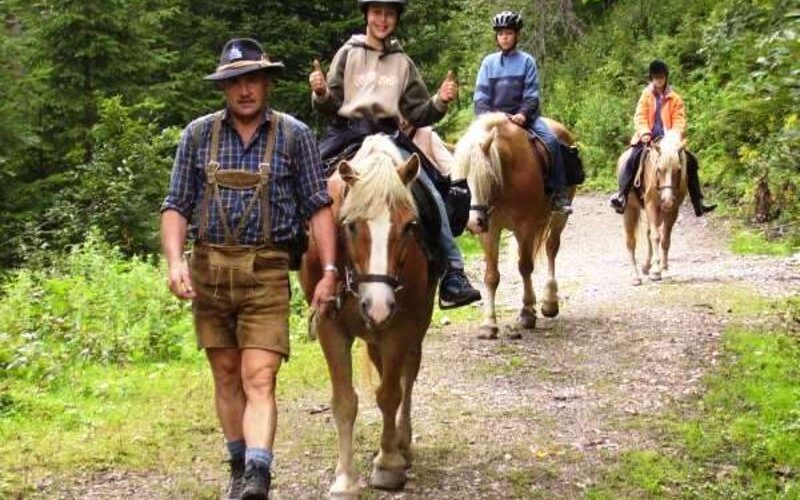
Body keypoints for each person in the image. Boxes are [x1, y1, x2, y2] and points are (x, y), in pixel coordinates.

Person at [160, 38, 337, 500]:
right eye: (235, 82)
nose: (245, 91)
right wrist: (176, 260)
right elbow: (176, 204)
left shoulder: (295, 136)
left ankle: (259, 477)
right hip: (209, 270)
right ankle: (238, 467)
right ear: (224, 88)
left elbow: (319, 207)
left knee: (259, 376)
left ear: (267, 83)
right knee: (225, 373)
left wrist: (331, 270)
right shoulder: (197, 136)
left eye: (253, 80)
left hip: (268, 268)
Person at [309, 0, 481, 309]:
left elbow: (419, 112)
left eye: (389, 14)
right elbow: (331, 104)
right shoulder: (348, 53)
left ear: (396, 19)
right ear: (366, 15)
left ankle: (453, 272)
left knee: (431, 190)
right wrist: (320, 93)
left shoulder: (403, 62)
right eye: (377, 13)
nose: (382, 20)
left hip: (389, 136)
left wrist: (439, 101)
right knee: (314, 189)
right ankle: (306, 265)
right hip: (348, 134)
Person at [473, 11, 573, 215]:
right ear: (496, 37)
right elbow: (480, 96)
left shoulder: (527, 61)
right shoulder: (488, 63)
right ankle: (470, 199)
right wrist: (486, 117)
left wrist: (523, 114)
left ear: (516, 35)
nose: (504, 37)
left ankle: (558, 194)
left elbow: (531, 94)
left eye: (509, 33)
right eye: (501, 34)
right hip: (494, 121)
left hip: (524, 119)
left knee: (552, 143)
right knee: (470, 150)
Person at [609, 59, 716, 216]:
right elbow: (640, 116)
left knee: (691, 161)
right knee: (632, 159)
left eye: (661, 77)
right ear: (651, 78)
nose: (658, 80)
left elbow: (679, 119)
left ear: (666, 77)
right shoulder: (646, 96)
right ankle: (622, 195)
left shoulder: (675, 98)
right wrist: (644, 132)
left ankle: (698, 202)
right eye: (655, 77)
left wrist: (674, 136)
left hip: (670, 140)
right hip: (648, 138)